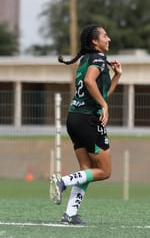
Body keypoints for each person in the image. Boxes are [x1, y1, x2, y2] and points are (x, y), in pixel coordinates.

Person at [50, 24, 122, 225]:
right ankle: (62, 182)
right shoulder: (98, 59)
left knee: (86, 170)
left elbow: (102, 93)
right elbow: (91, 82)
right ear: (94, 41)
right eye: (105, 36)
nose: (109, 39)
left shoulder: (85, 60)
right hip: (89, 120)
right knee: (105, 172)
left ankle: (70, 214)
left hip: (74, 118)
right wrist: (103, 106)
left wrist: (117, 76)